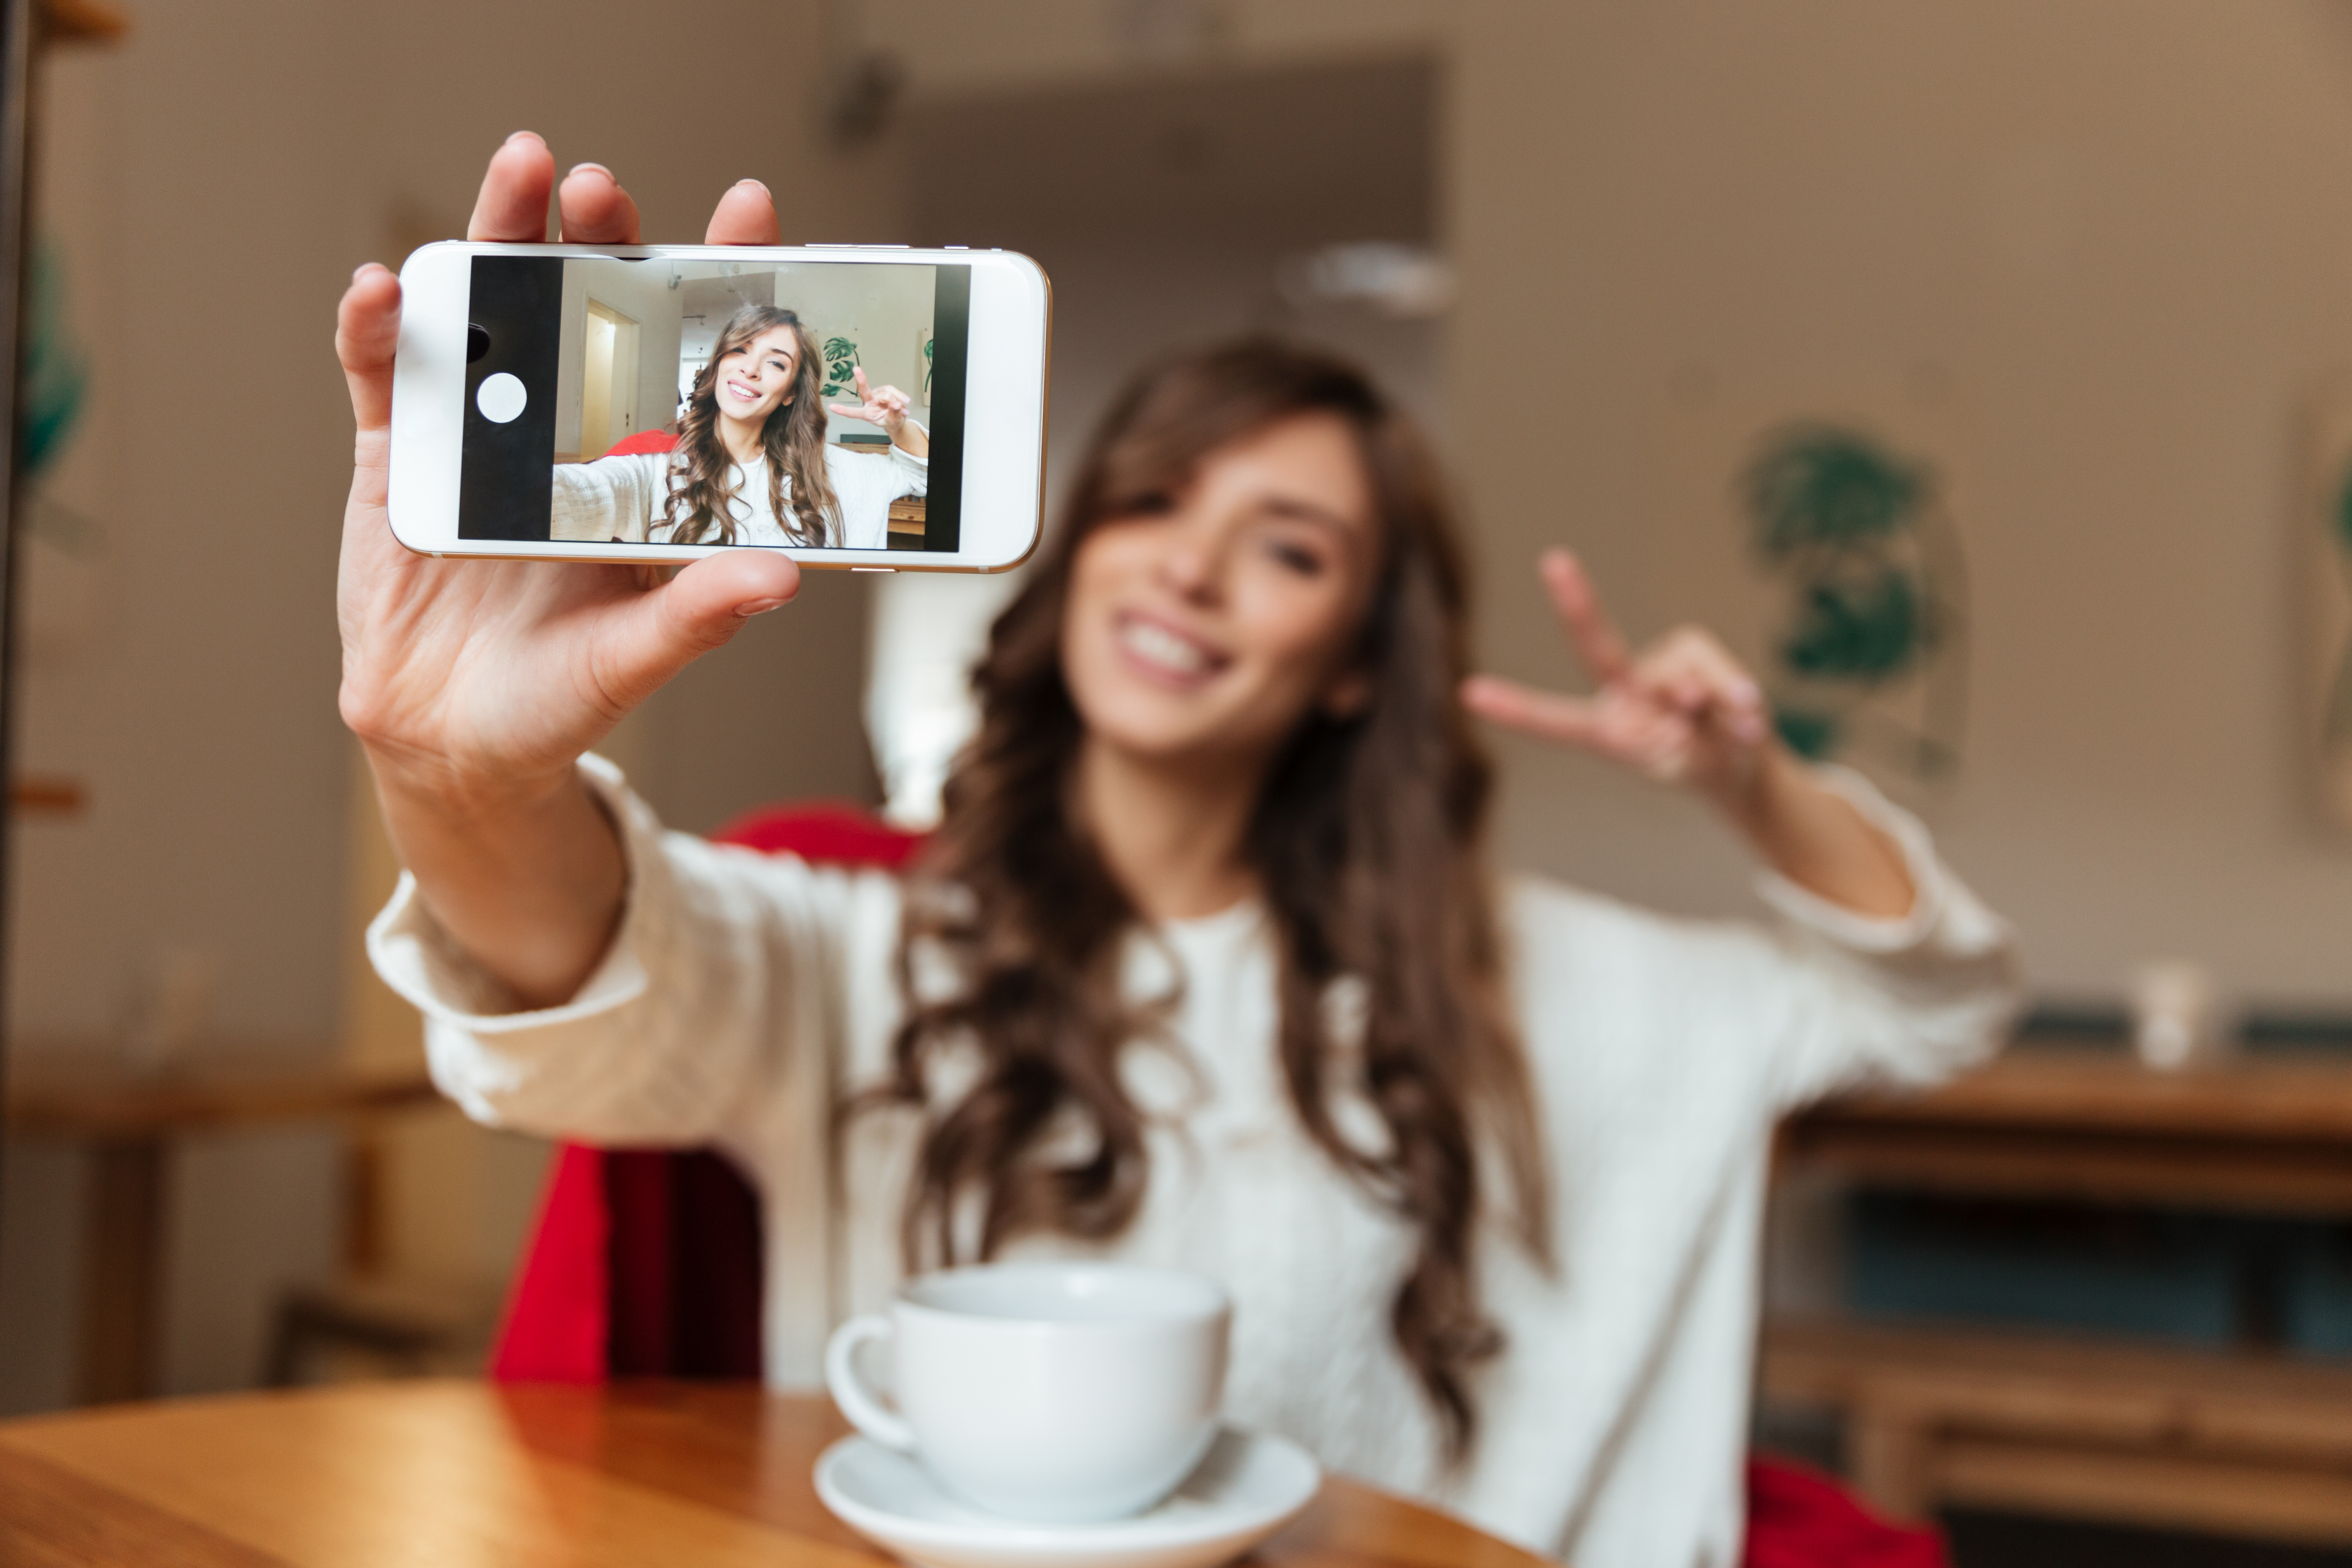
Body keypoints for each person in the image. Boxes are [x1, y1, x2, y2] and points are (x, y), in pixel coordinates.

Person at [336, 134, 2018, 1568]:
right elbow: (579, 980)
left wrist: (1752, 785)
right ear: (1081, 557)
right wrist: (457, 776)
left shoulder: (1520, 978)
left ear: (1354, 661)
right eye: (1151, 503)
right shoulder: (863, 942)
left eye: (1287, 549)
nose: (1189, 571)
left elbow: (1931, 1006)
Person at [551, 300, 925, 548]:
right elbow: (579, 494)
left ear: (791, 393)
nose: (750, 369)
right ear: (719, 364)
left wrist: (896, 426)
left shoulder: (823, 467)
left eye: (776, 363)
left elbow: (923, 475)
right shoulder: (656, 465)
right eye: (740, 349)